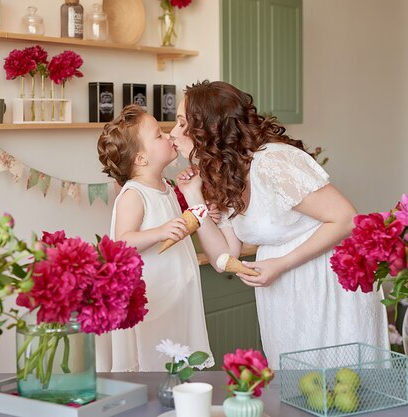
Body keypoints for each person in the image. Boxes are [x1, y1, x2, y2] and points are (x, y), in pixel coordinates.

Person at [170, 81, 389, 369]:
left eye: (181, 123)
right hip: (282, 291)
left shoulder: (272, 161)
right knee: (298, 386)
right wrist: (193, 196)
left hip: (326, 280)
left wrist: (282, 263)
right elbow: (225, 257)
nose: (173, 132)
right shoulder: (222, 173)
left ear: (210, 129)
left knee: (340, 383)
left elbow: (346, 218)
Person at [96, 104, 213, 371]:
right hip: (155, 297)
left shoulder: (167, 187)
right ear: (141, 159)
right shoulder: (134, 194)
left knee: (179, 360)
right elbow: (122, 242)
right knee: (156, 360)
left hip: (178, 293)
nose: (170, 136)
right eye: (159, 135)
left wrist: (200, 214)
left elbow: (178, 227)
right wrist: (159, 232)